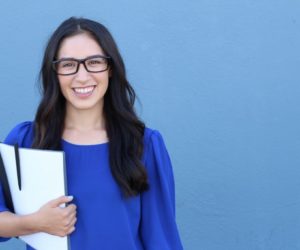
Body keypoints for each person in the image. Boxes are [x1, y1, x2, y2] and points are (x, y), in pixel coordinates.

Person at [0, 17, 183, 250]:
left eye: (94, 62)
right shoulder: (27, 140)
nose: (82, 76)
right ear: (54, 72)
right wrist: (34, 223)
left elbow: (161, 239)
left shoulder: (144, 144)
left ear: (111, 69)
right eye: (68, 64)